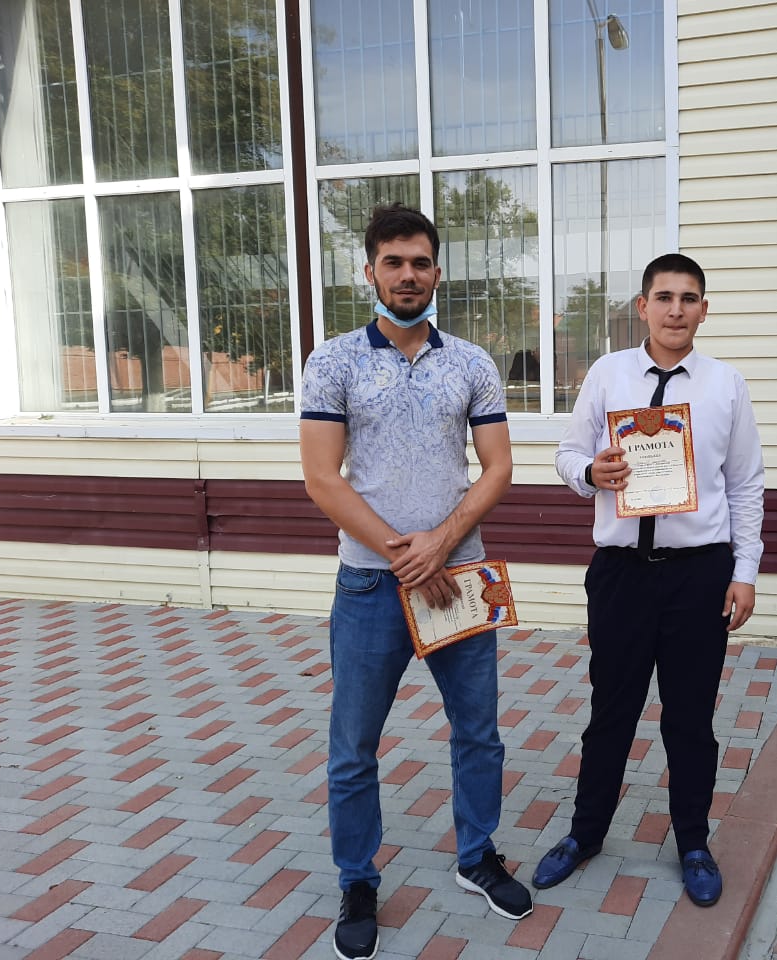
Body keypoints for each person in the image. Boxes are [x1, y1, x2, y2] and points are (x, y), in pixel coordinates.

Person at [299, 203, 532, 960]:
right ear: (368, 271)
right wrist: (408, 554)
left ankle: (477, 856)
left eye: (420, 262)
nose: (408, 275)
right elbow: (321, 478)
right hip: (370, 587)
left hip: (460, 579)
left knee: (479, 733)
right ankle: (357, 880)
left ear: (437, 272)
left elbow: (498, 468)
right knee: (353, 747)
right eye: (393, 262)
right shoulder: (333, 361)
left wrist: (441, 544)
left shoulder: (471, 362)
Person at [540, 253, 765, 907]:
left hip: (699, 576)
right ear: (642, 307)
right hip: (621, 577)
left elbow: (745, 484)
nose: (675, 309)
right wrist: (592, 474)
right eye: (664, 297)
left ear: (704, 309)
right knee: (610, 712)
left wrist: (745, 572)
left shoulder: (726, 385)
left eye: (688, 298)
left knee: (690, 719)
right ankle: (585, 834)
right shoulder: (608, 374)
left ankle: (693, 842)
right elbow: (566, 453)